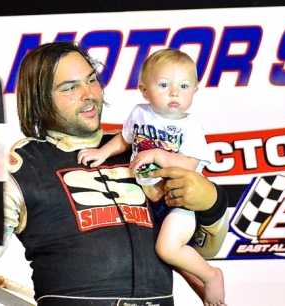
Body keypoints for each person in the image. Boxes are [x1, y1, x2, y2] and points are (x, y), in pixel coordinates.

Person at [0, 41, 229, 306]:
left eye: (91, 80)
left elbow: (204, 250)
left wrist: (211, 202)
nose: (89, 95)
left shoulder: (138, 148)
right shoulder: (20, 167)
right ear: (40, 100)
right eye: (69, 88)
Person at [77, 48, 225, 306]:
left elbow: (189, 164)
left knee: (168, 248)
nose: (174, 92)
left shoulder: (190, 128)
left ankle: (211, 276)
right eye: (164, 84)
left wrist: (157, 154)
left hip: (178, 202)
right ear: (145, 90)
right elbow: (124, 139)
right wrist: (102, 152)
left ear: (195, 91)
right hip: (147, 198)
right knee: (160, 251)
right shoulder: (139, 113)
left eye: (184, 85)